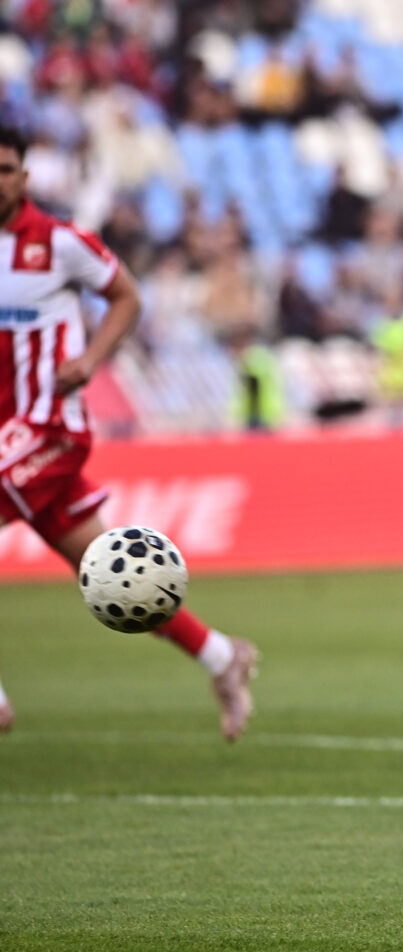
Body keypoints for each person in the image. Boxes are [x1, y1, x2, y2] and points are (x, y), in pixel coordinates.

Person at [0, 125, 257, 740]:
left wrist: (90, 360)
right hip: (9, 437)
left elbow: (126, 296)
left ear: (25, 177)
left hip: (49, 427)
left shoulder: (59, 244)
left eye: (5, 169)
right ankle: (223, 657)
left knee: (109, 569)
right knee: (113, 573)